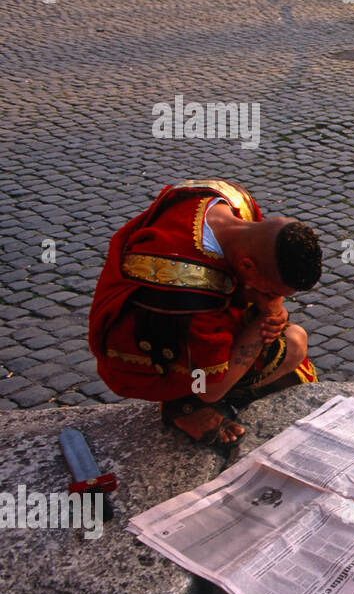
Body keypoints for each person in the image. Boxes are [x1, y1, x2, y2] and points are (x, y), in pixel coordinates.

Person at [88, 180, 321, 453]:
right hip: (143, 357)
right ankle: (182, 403)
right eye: (270, 292)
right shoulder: (191, 292)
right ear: (247, 266)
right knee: (293, 344)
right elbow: (210, 388)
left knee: (288, 358)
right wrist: (264, 319)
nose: (276, 302)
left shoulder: (234, 202)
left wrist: (269, 303)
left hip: (179, 319)